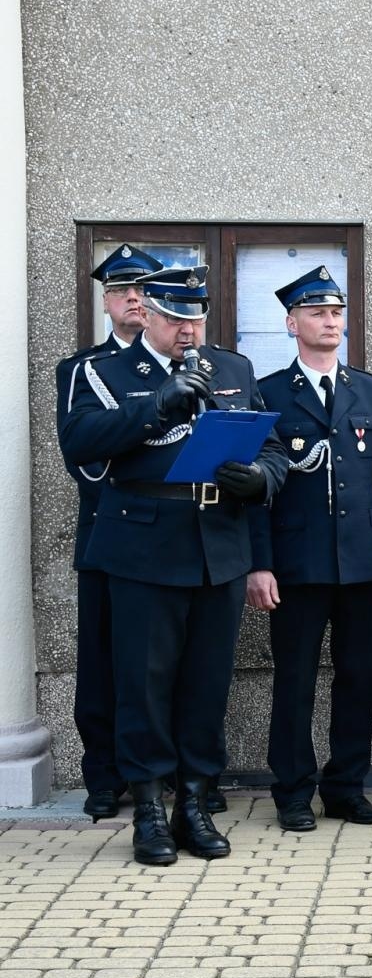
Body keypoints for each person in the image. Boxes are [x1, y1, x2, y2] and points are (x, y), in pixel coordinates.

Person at [61, 265, 288, 865]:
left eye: (195, 318)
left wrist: (261, 477)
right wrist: (156, 406)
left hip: (219, 544)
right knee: (144, 684)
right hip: (143, 546)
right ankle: (149, 812)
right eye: (175, 319)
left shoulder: (232, 369)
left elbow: (272, 445)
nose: (187, 331)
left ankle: (193, 802)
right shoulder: (103, 371)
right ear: (147, 315)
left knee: (205, 684)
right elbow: (78, 444)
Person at [247, 267, 372, 831]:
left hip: (362, 562)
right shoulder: (267, 392)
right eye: (317, 313)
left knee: (359, 677)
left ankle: (346, 787)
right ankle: (292, 791)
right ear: (292, 323)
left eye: (336, 313)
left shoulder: (367, 388)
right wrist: (259, 563)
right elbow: (256, 495)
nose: (330, 321)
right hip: (297, 564)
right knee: (295, 681)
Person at [54, 244, 159, 820]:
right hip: (106, 537)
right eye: (122, 291)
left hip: (166, 540)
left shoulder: (183, 362)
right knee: (102, 662)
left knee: (160, 663)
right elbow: (84, 459)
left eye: (143, 290)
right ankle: (104, 775)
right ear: (107, 302)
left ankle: (164, 773)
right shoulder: (82, 369)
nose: (135, 299)